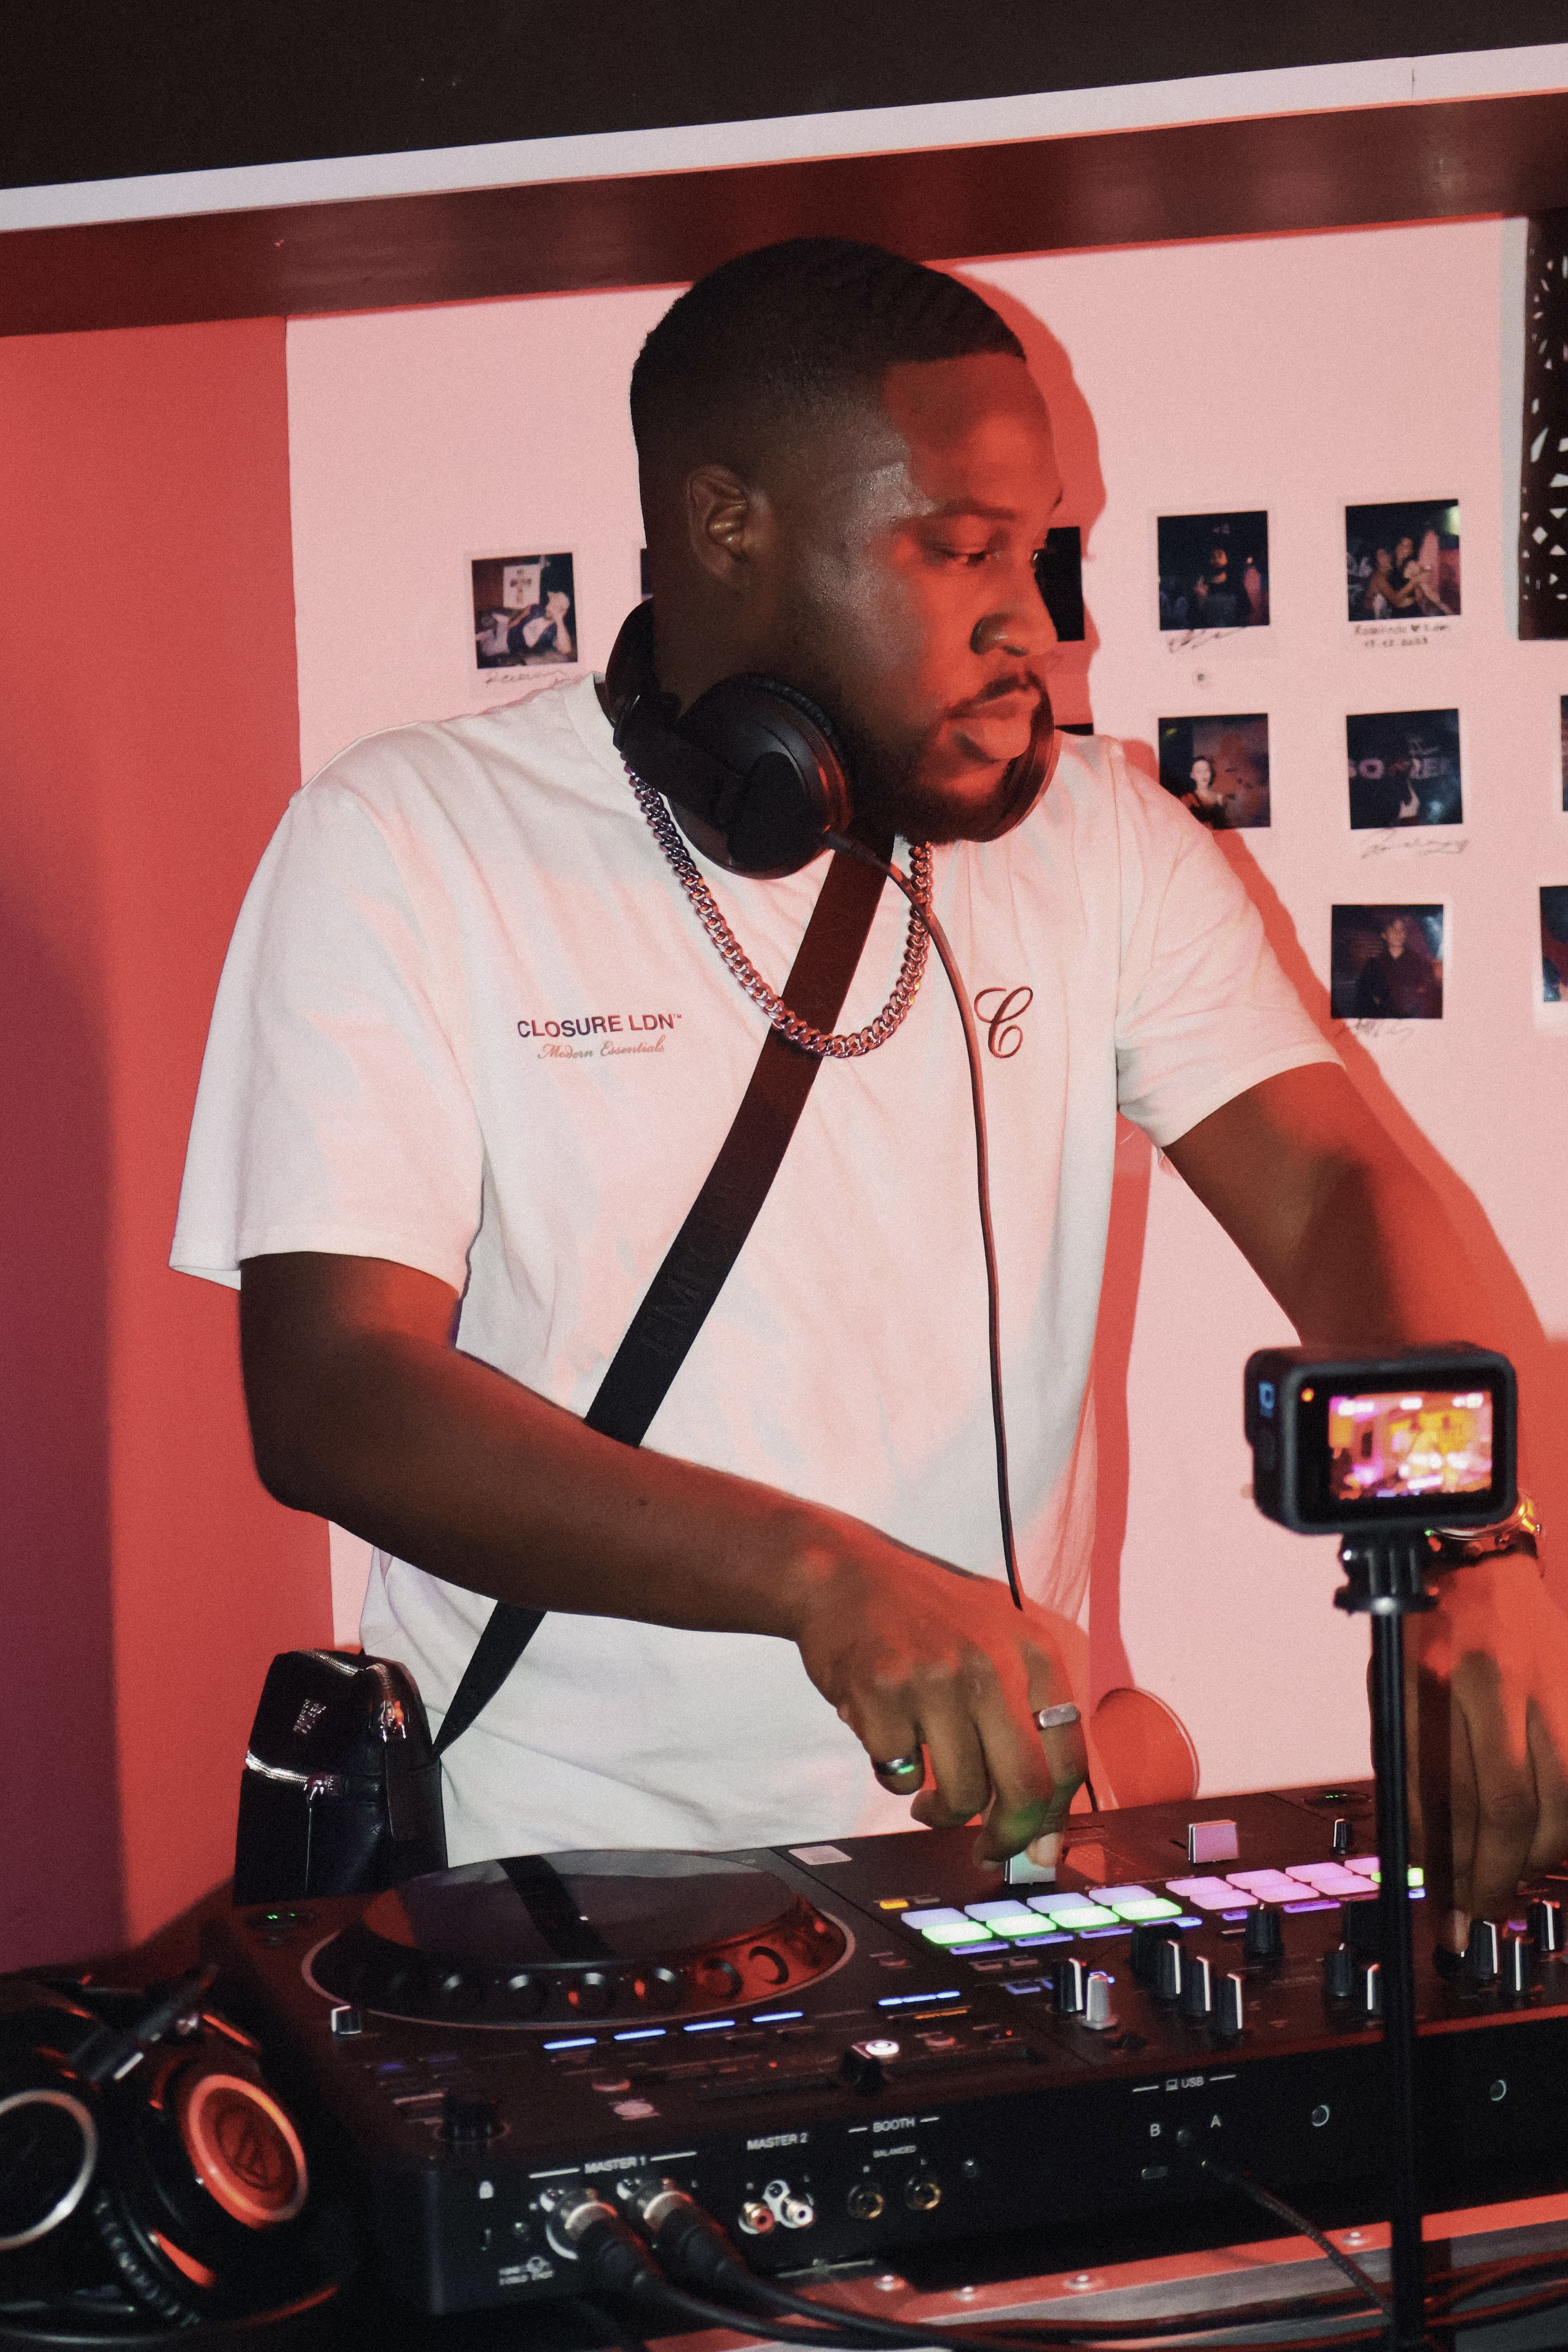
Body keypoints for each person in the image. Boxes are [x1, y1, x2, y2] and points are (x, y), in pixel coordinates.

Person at [175, 240, 1566, 1947]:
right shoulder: (410, 842)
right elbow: (333, 1390)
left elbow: (1334, 1185)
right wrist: (818, 1577)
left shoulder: (1106, 849)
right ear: (728, 526)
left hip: (1000, 1879)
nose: (1037, 624)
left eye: (1038, 549)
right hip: (558, 1900)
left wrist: (1468, 1535)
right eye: (958, 549)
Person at [1352, 912, 1443, 1019]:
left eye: (1402, 930)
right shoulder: (1373, 966)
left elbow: (1432, 996)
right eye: (1393, 930)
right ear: (1384, 935)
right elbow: (1363, 999)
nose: (1398, 934)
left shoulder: (1419, 963)